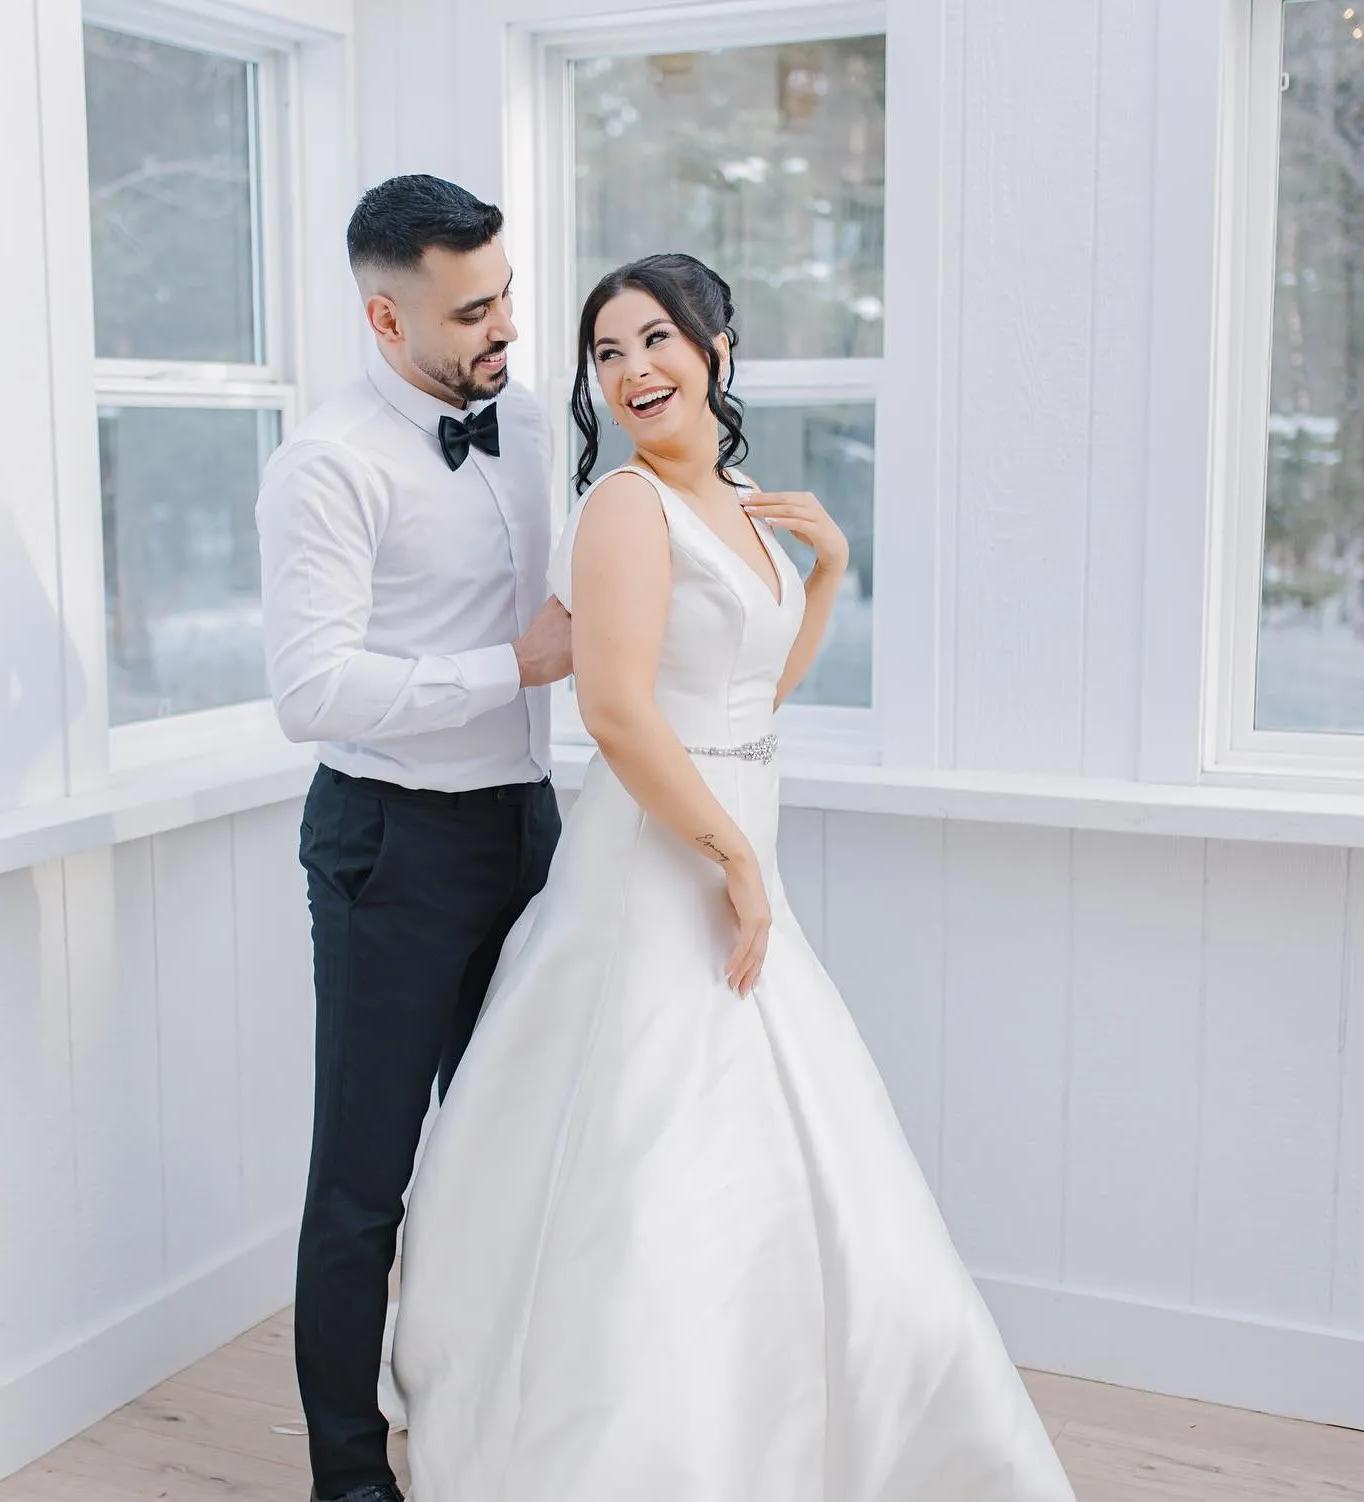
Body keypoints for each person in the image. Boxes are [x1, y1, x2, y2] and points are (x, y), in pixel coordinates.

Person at [389, 253, 1077, 1500]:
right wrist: (734, 856)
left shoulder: (742, 499)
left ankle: (800, 1422)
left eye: (655, 338)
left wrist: (829, 574)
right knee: (656, 1134)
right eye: (607, 353)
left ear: (716, 348)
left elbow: (759, 690)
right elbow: (615, 710)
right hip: (653, 864)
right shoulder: (623, 507)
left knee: (787, 1138)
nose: (632, 369)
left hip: (733, 837)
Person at [255, 174, 571, 1502]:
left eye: (506, 294)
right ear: (386, 320)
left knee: (520, 1153)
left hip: (530, 829)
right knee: (364, 1182)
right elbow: (310, 691)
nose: (506, 326)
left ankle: (488, 1434)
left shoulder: (532, 418)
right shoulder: (327, 464)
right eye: (471, 310)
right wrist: (511, 667)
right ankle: (347, 1476)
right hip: (390, 845)